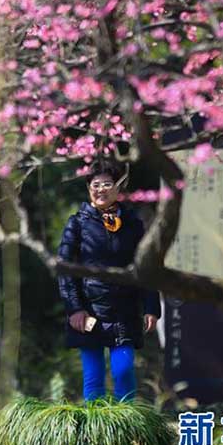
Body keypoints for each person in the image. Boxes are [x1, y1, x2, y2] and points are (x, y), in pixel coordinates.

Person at [57, 160, 161, 402]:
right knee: (93, 377)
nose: (101, 190)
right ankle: (96, 424)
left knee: (123, 372)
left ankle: (127, 422)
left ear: (118, 188)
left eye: (107, 184)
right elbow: (65, 269)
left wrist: (151, 307)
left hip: (124, 311)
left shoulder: (133, 223)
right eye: (95, 185)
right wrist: (74, 308)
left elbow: (145, 267)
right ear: (88, 189)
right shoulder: (77, 223)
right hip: (88, 312)